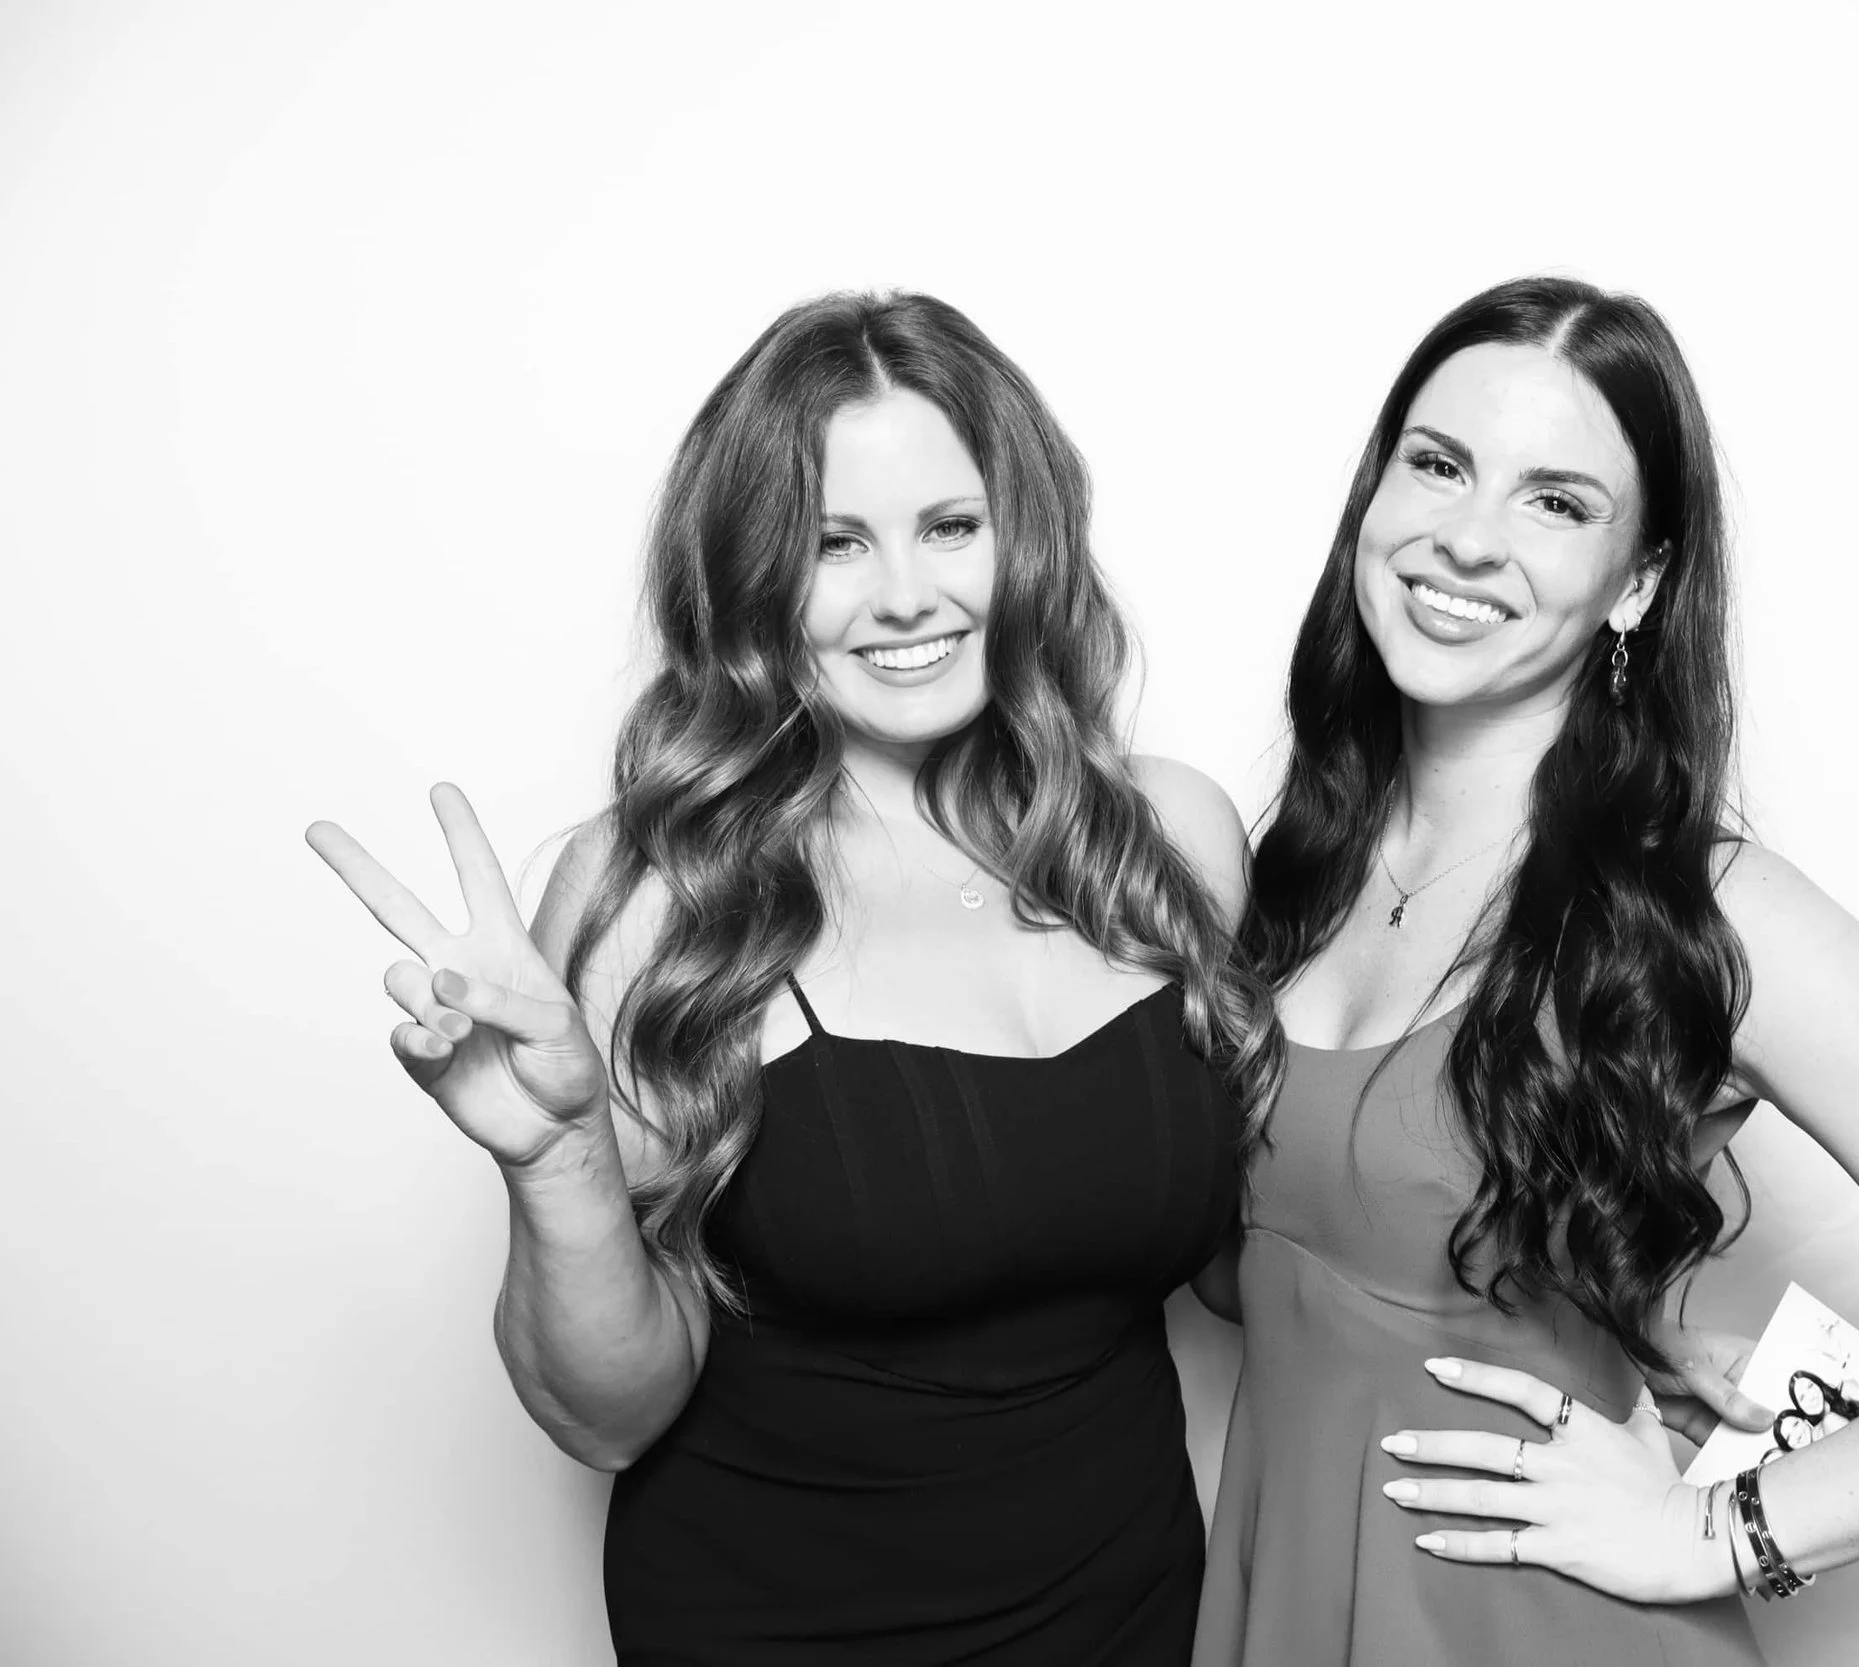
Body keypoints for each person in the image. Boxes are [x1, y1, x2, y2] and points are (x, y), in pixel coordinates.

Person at [1193, 276, 1859, 1665]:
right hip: (1290, 1589)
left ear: (1643, 578)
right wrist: (1595, 1269)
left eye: (1556, 502)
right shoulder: (1282, 873)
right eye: (1438, 464)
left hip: (1546, 1625)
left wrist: (1716, 1533)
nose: (1468, 539)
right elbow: (1263, 1274)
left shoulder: (1709, 912)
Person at [308, 290, 1274, 1665]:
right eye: (834, 544)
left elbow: (1251, 1264)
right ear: (753, 575)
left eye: (951, 525)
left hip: (1126, 1613)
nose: (904, 594)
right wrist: (559, 1159)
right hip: (782, 1626)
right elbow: (607, 1417)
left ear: (1027, 540)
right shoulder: (661, 895)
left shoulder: (1165, 837)